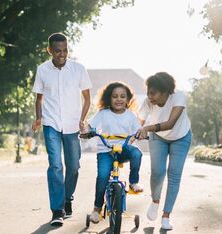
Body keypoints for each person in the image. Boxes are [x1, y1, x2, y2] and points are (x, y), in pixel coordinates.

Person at [31, 32, 92, 226]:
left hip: (73, 125)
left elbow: (87, 98)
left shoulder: (78, 69)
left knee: (73, 167)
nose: (62, 54)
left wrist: (82, 120)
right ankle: (57, 210)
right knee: (56, 165)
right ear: (49, 50)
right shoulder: (42, 70)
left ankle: (68, 199)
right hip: (51, 124)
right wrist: (39, 118)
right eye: (57, 51)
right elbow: (39, 98)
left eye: (65, 50)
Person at [136, 72, 192, 230]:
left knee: (174, 175)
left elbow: (171, 123)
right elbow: (137, 123)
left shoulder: (178, 97)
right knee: (157, 172)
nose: (149, 96)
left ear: (166, 91)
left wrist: (147, 128)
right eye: (148, 92)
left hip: (180, 137)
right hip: (158, 138)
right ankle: (155, 201)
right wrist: (134, 134)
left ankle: (166, 217)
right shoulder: (148, 102)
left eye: (153, 93)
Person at [83, 82, 144, 223]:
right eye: (115, 96)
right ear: (108, 98)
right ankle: (97, 209)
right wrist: (87, 131)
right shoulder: (103, 114)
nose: (119, 99)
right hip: (106, 151)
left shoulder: (130, 116)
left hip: (123, 149)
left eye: (123, 96)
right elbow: (90, 126)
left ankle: (133, 182)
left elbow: (138, 130)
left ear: (128, 99)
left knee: (137, 153)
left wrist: (141, 133)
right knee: (103, 177)